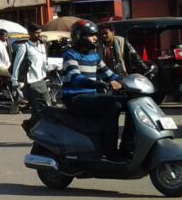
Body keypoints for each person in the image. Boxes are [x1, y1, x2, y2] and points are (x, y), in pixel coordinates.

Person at [62, 20, 123, 161]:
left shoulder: (94, 56)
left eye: (95, 35)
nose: (96, 38)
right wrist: (97, 84)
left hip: (91, 96)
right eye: (91, 35)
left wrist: (124, 81)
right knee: (114, 105)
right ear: (79, 36)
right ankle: (110, 152)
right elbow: (76, 78)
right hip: (75, 98)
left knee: (125, 102)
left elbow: (110, 74)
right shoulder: (70, 55)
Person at [12, 22, 49, 125]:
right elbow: (17, 64)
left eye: (40, 33)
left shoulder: (42, 46)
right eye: (36, 33)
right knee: (37, 110)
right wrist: (15, 81)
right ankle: (31, 127)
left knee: (48, 106)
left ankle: (34, 127)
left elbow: (44, 62)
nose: (39, 35)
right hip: (31, 82)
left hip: (42, 80)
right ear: (30, 33)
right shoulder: (25, 47)